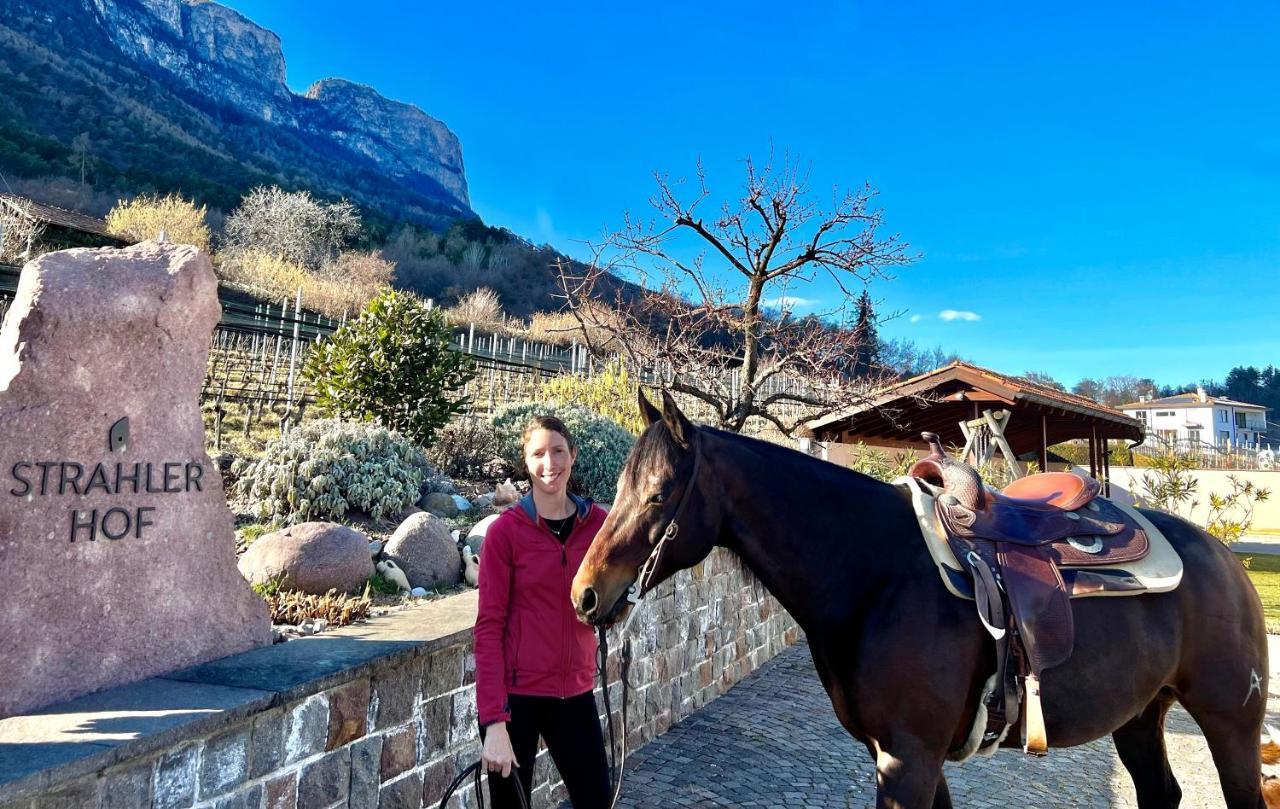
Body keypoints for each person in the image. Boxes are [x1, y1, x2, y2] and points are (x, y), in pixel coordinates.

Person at [473, 415, 612, 808]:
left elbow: (616, 593)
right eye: (538, 453)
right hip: (517, 700)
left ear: (573, 456)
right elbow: (488, 629)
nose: (549, 463)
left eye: (558, 451)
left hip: (575, 692)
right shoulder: (505, 533)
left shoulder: (599, 525)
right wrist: (494, 723)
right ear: (526, 461)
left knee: (596, 800)